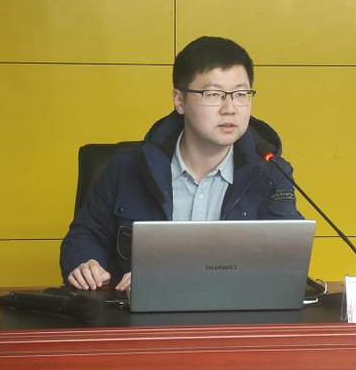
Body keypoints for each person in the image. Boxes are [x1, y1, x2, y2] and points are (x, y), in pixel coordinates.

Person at [60, 36, 303, 291]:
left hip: (235, 311)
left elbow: (287, 258)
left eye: (241, 94)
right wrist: (85, 263)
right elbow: (85, 236)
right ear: (179, 101)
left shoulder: (271, 172)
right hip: (140, 313)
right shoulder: (127, 166)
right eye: (213, 94)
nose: (230, 108)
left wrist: (172, 280)